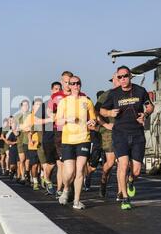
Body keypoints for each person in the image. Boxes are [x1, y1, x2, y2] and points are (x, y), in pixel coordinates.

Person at [100, 66, 154, 210]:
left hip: (137, 134)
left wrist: (145, 115)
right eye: (120, 77)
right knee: (123, 165)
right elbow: (102, 110)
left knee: (136, 171)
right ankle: (124, 197)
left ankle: (130, 181)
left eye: (125, 76)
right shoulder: (113, 94)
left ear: (130, 76)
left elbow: (149, 106)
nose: (122, 79)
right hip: (120, 134)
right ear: (117, 78)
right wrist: (110, 113)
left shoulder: (140, 91)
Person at [56, 76, 96, 210]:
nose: (75, 86)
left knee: (80, 171)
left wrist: (92, 122)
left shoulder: (87, 101)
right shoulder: (64, 102)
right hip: (68, 140)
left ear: (81, 85)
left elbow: (93, 119)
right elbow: (58, 122)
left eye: (78, 83)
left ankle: (77, 201)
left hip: (84, 139)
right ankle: (66, 188)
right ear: (69, 86)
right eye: (73, 84)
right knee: (69, 172)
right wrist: (68, 119)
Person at [48, 71, 86, 199]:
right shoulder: (57, 96)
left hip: (81, 136)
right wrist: (61, 118)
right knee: (62, 164)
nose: (68, 84)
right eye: (66, 82)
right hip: (61, 132)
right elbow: (50, 113)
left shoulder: (83, 97)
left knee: (78, 168)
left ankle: (73, 193)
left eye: (73, 82)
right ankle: (62, 189)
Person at [95, 74, 121, 200]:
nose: (121, 81)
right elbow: (95, 112)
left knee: (123, 163)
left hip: (124, 131)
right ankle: (103, 182)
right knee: (110, 163)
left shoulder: (129, 94)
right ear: (113, 81)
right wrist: (105, 124)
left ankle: (121, 192)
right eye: (118, 78)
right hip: (109, 132)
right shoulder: (106, 94)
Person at [14, 100, 31, 184]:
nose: (26, 107)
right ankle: (23, 176)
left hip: (28, 139)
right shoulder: (17, 116)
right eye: (24, 105)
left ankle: (27, 175)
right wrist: (16, 132)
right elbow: (14, 129)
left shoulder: (31, 115)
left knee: (28, 159)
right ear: (21, 107)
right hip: (20, 139)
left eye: (27, 105)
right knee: (22, 159)